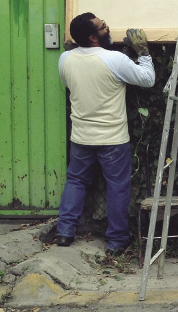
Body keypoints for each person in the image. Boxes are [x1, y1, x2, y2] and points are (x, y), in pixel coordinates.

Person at [56, 13, 155, 255]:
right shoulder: (114, 59)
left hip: (81, 137)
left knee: (76, 181)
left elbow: (72, 82)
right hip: (112, 139)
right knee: (118, 187)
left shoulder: (64, 59)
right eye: (102, 27)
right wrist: (143, 54)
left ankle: (65, 232)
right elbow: (148, 79)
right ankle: (117, 241)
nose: (107, 27)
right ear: (92, 37)